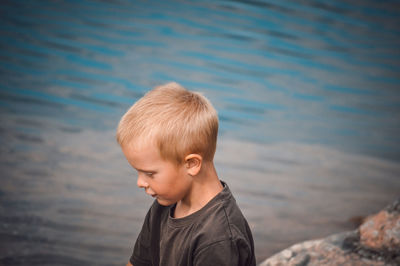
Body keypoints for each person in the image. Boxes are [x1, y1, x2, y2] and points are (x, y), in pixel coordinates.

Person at [116, 82, 256, 266]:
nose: (140, 183)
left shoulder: (218, 237)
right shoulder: (163, 206)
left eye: (149, 173)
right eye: (138, 172)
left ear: (191, 164)